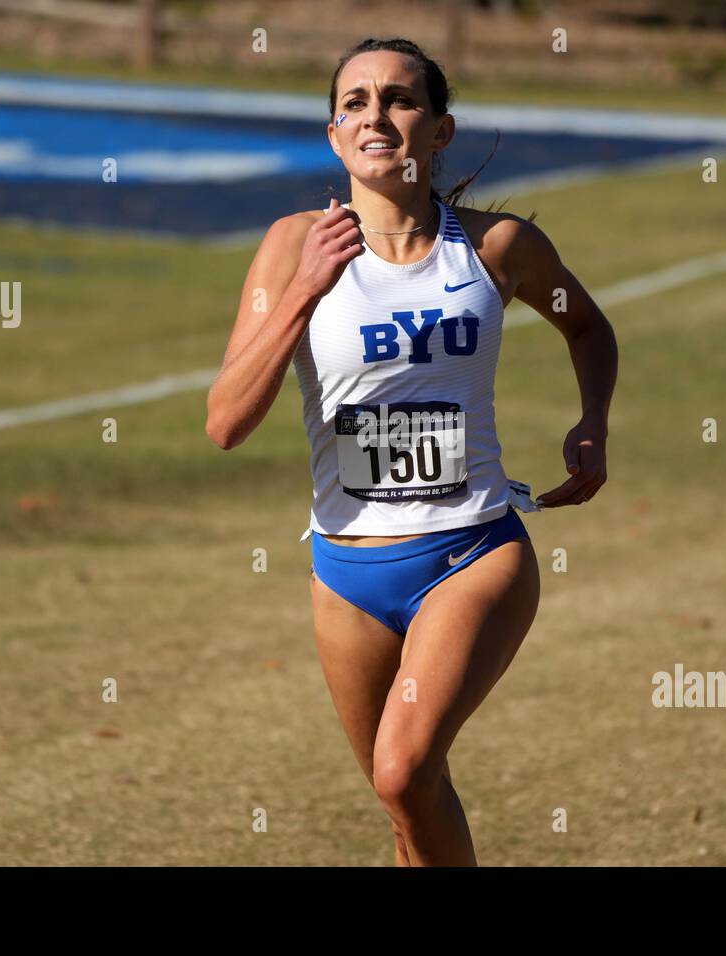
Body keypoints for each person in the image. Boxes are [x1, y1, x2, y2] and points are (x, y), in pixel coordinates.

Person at [205, 37, 618, 866]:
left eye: (399, 99)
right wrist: (304, 291)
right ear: (333, 135)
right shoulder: (293, 247)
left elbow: (586, 324)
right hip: (346, 574)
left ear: (439, 130)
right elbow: (225, 421)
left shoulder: (496, 249)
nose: (376, 116)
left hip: (472, 551)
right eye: (355, 101)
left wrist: (592, 422)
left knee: (401, 773)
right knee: (408, 805)